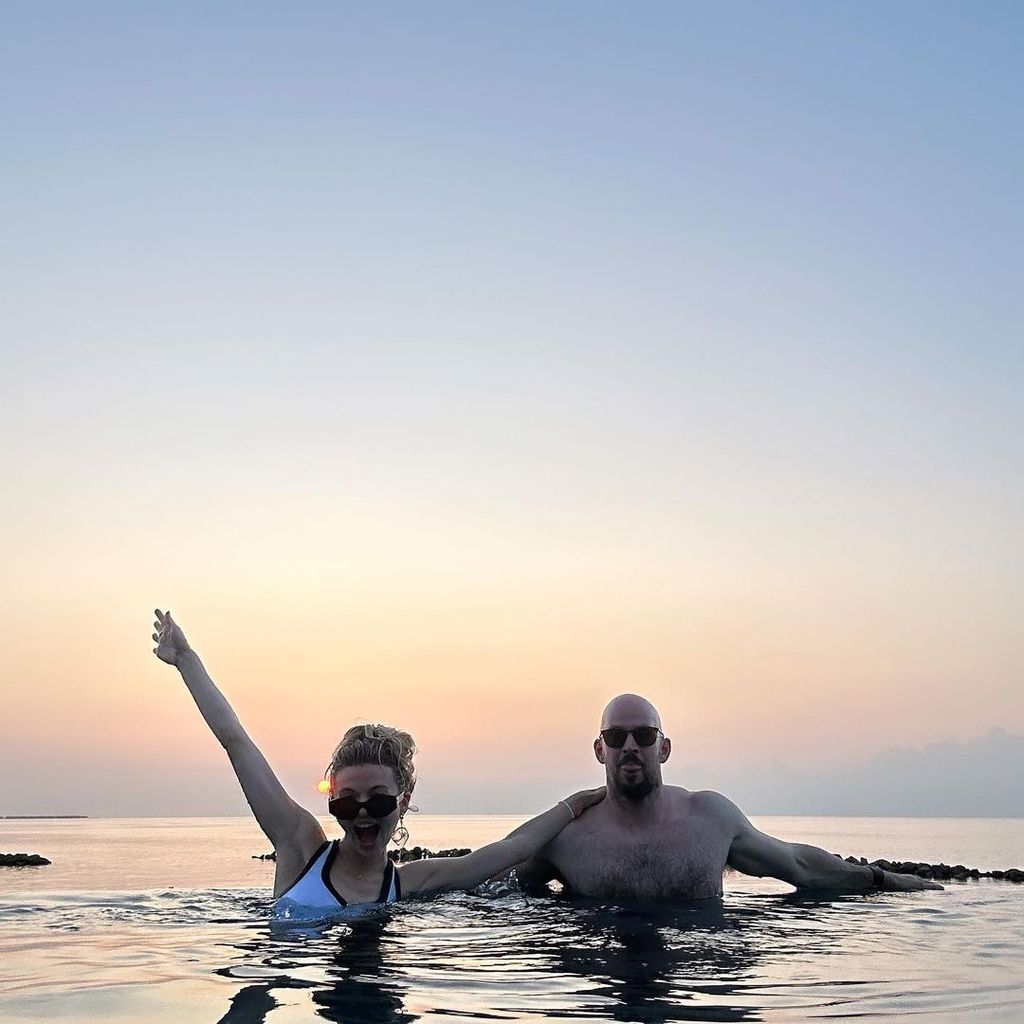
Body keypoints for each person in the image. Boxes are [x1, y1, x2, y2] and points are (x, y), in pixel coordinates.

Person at [151, 609, 603, 913]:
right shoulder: (299, 846)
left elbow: (507, 851)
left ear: (402, 803)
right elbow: (238, 743)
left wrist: (576, 804)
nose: (363, 814)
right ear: (332, 804)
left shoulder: (411, 883)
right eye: (347, 803)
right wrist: (187, 661)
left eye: (378, 801)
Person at [517, 693, 943, 899]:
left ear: (663, 748)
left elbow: (798, 865)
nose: (630, 746)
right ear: (599, 749)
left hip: (693, 986)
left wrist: (886, 880)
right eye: (616, 736)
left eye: (644, 735)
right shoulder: (569, 838)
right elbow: (504, 887)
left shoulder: (708, 820)